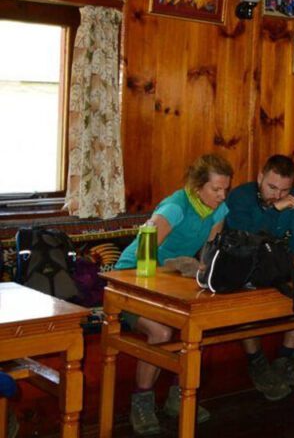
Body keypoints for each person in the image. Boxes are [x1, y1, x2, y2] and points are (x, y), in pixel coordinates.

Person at [113, 154, 233, 436]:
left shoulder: (219, 210)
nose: (222, 195)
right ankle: (141, 402)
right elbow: (145, 251)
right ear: (197, 186)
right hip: (130, 280)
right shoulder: (175, 207)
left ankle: (178, 397)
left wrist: (203, 271)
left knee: (196, 324)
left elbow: (208, 254)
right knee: (162, 332)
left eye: (225, 188)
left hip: (169, 283)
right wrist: (175, 268)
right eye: (216, 189)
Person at [224, 154, 294, 401]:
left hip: (279, 265)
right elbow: (244, 238)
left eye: (284, 190)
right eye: (271, 187)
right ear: (260, 177)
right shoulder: (240, 197)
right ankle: (257, 363)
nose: (277, 195)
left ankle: (284, 360)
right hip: (243, 265)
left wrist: (285, 259)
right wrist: (272, 210)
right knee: (243, 299)